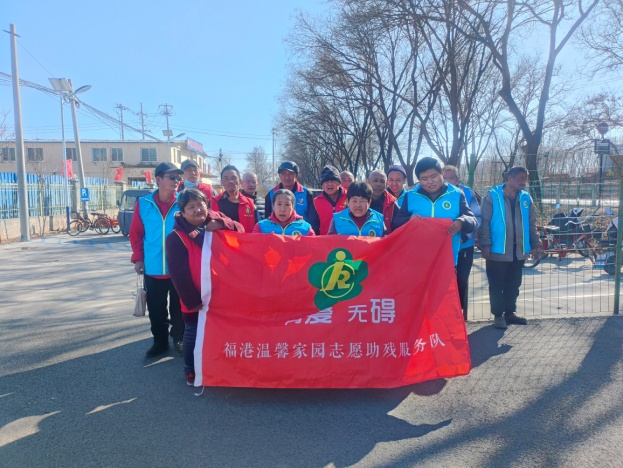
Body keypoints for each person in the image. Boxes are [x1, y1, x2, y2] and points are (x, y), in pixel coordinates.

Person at [166, 188, 244, 386]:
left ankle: (221, 365)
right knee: (193, 332)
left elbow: (240, 230)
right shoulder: (176, 237)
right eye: (191, 207)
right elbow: (178, 274)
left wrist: (222, 224)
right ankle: (191, 370)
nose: (197, 210)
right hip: (196, 297)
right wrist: (192, 300)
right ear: (182, 213)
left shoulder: (216, 219)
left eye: (200, 204)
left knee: (223, 331)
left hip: (222, 292)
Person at [130, 162, 185, 358]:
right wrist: (138, 259)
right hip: (153, 267)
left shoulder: (183, 203)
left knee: (179, 309)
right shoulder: (144, 204)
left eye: (178, 177)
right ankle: (159, 342)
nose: (176, 181)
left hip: (178, 268)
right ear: (159, 179)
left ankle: (178, 339)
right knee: (156, 310)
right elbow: (136, 234)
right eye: (172, 177)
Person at [479, 166, 542, 330]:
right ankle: (498, 315)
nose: (524, 182)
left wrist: (536, 244)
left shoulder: (526, 198)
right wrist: (485, 244)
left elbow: (532, 224)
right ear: (510, 178)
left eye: (525, 179)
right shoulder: (492, 196)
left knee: (513, 285)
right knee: (496, 285)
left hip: (518, 251)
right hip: (497, 250)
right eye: (521, 178)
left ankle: (509, 313)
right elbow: (484, 222)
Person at [392, 157, 477, 266]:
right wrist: (409, 220)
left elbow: (472, 220)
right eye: (424, 179)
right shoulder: (411, 196)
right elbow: (396, 222)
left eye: (433, 176)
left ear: (441, 173)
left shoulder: (456, 194)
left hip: (446, 260)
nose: (430, 182)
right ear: (419, 179)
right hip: (417, 260)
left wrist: (462, 222)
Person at [443, 165, 482, 321]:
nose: (448, 182)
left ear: (458, 178)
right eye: (444, 178)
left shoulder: (468, 193)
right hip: (442, 248)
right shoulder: (436, 193)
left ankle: (458, 316)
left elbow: (477, 217)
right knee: (442, 282)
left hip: (464, 247)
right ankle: (443, 316)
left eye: (451, 178)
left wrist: (464, 237)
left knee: (461, 281)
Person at [212, 165, 258, 232]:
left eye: (233, 178)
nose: (230, 181)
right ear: (221, 182)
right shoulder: (213, 202)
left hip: (245, 238)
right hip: (221, 239)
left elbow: (258, 229)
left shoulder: (250, 204)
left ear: (240, 181)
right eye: (226, 178)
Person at [308, 165, 348, 235]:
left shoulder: (349, 198)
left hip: (346, 239)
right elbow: (313, 227)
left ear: (339, 183)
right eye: (326, 182)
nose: (329, 184)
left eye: (332, 181)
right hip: (324, 240)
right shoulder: (316, 202)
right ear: (322, 185)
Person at [367, 169, 397, 234]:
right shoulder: (357, 201)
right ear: (368, 182)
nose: (378, 184)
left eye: (382, 181)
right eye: (375, 180)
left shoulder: (393, 204)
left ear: (386, 184)